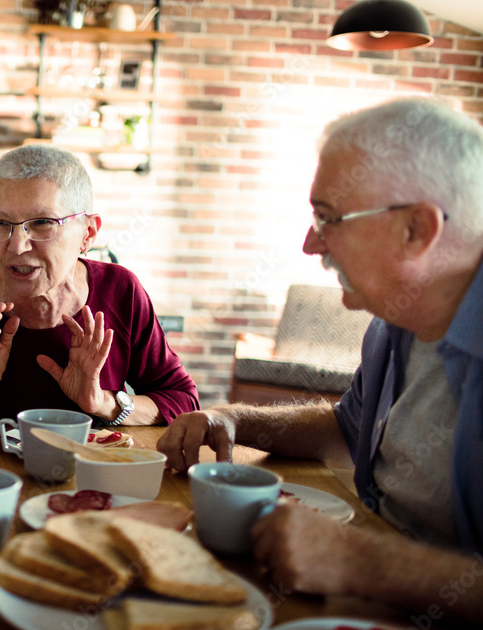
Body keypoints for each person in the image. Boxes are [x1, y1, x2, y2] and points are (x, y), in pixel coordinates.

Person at [157, 97, 483, 624]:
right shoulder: (392, 324)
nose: (311, 243)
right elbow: (343, 429)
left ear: (418, 230)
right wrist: (234, 418)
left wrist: (364, 562)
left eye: (328, 218)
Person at [0, 144, 199, 424]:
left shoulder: (120, 290)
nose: (16, 246)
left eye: (41, 222)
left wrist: (102, 402)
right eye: (1, 223)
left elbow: (181, 400)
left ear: (87, 234)